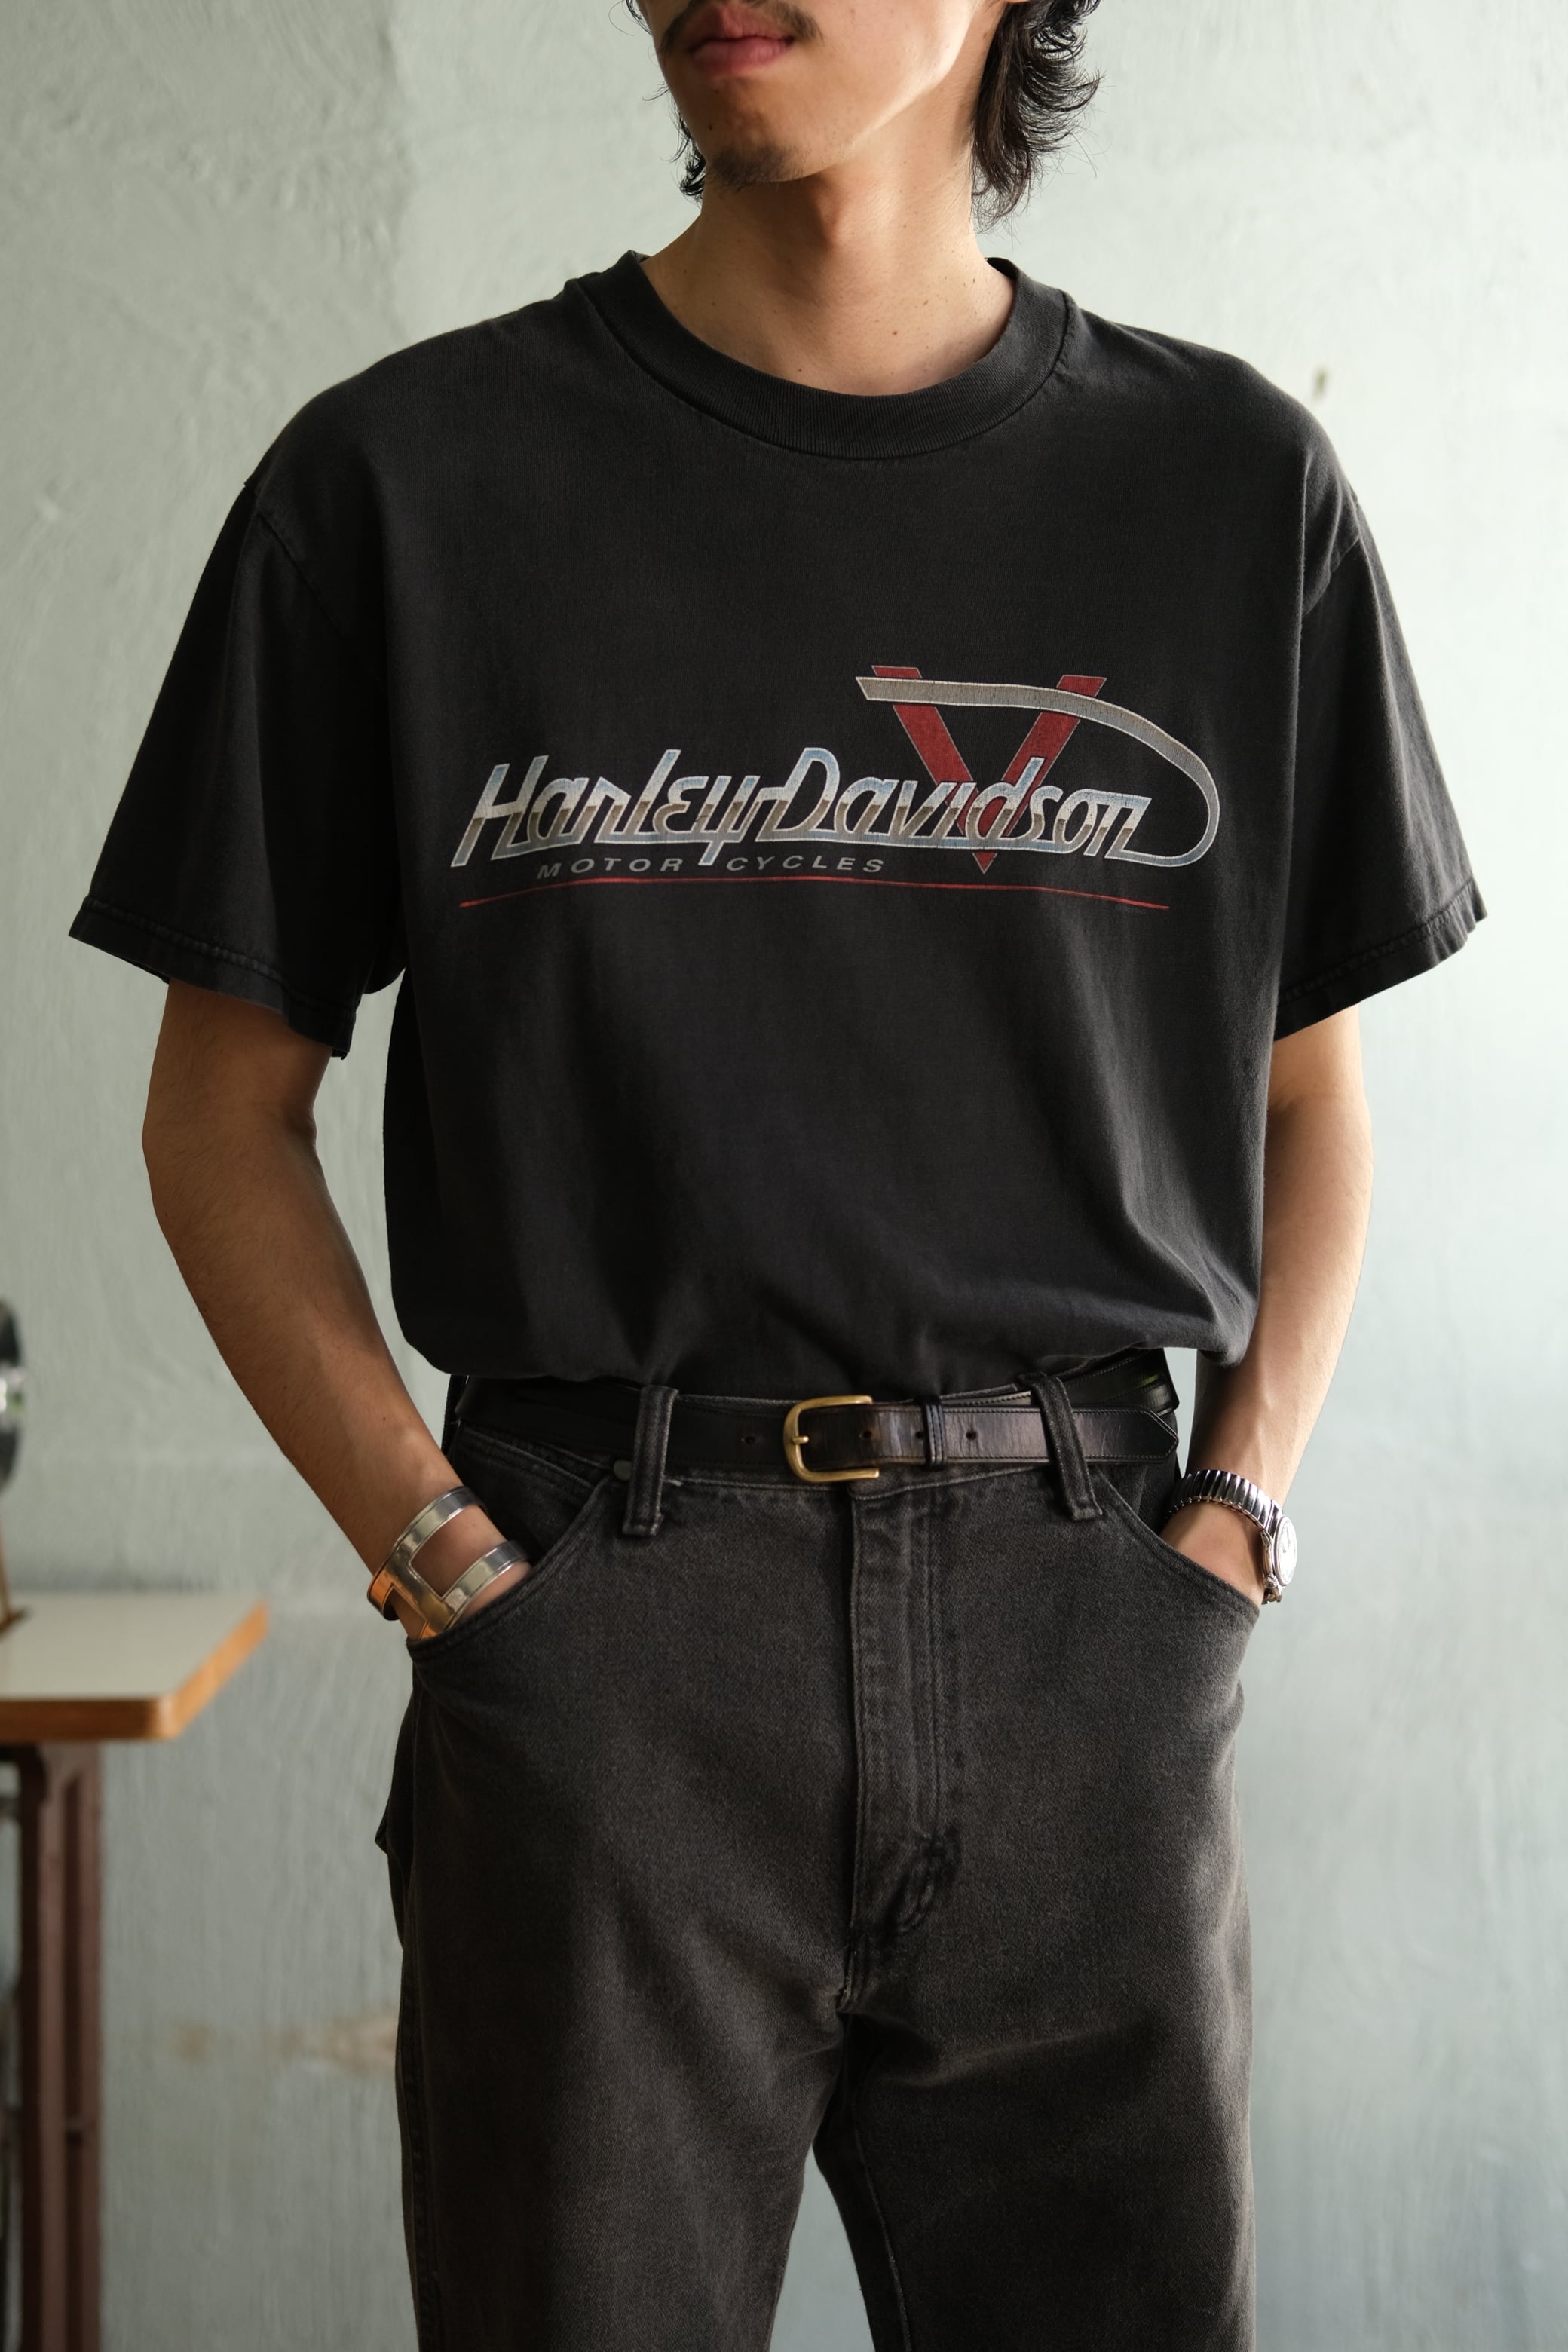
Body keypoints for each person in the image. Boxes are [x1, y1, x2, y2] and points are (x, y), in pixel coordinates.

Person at [69, 2, 1484, 2344]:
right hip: (599, 1626)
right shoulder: (403, 484)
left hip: (1089, 1619)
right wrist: (452, 1564)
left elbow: (1312, 1101)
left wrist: (1226, 1531)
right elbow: (216, 1114)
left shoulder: (1230, 491)